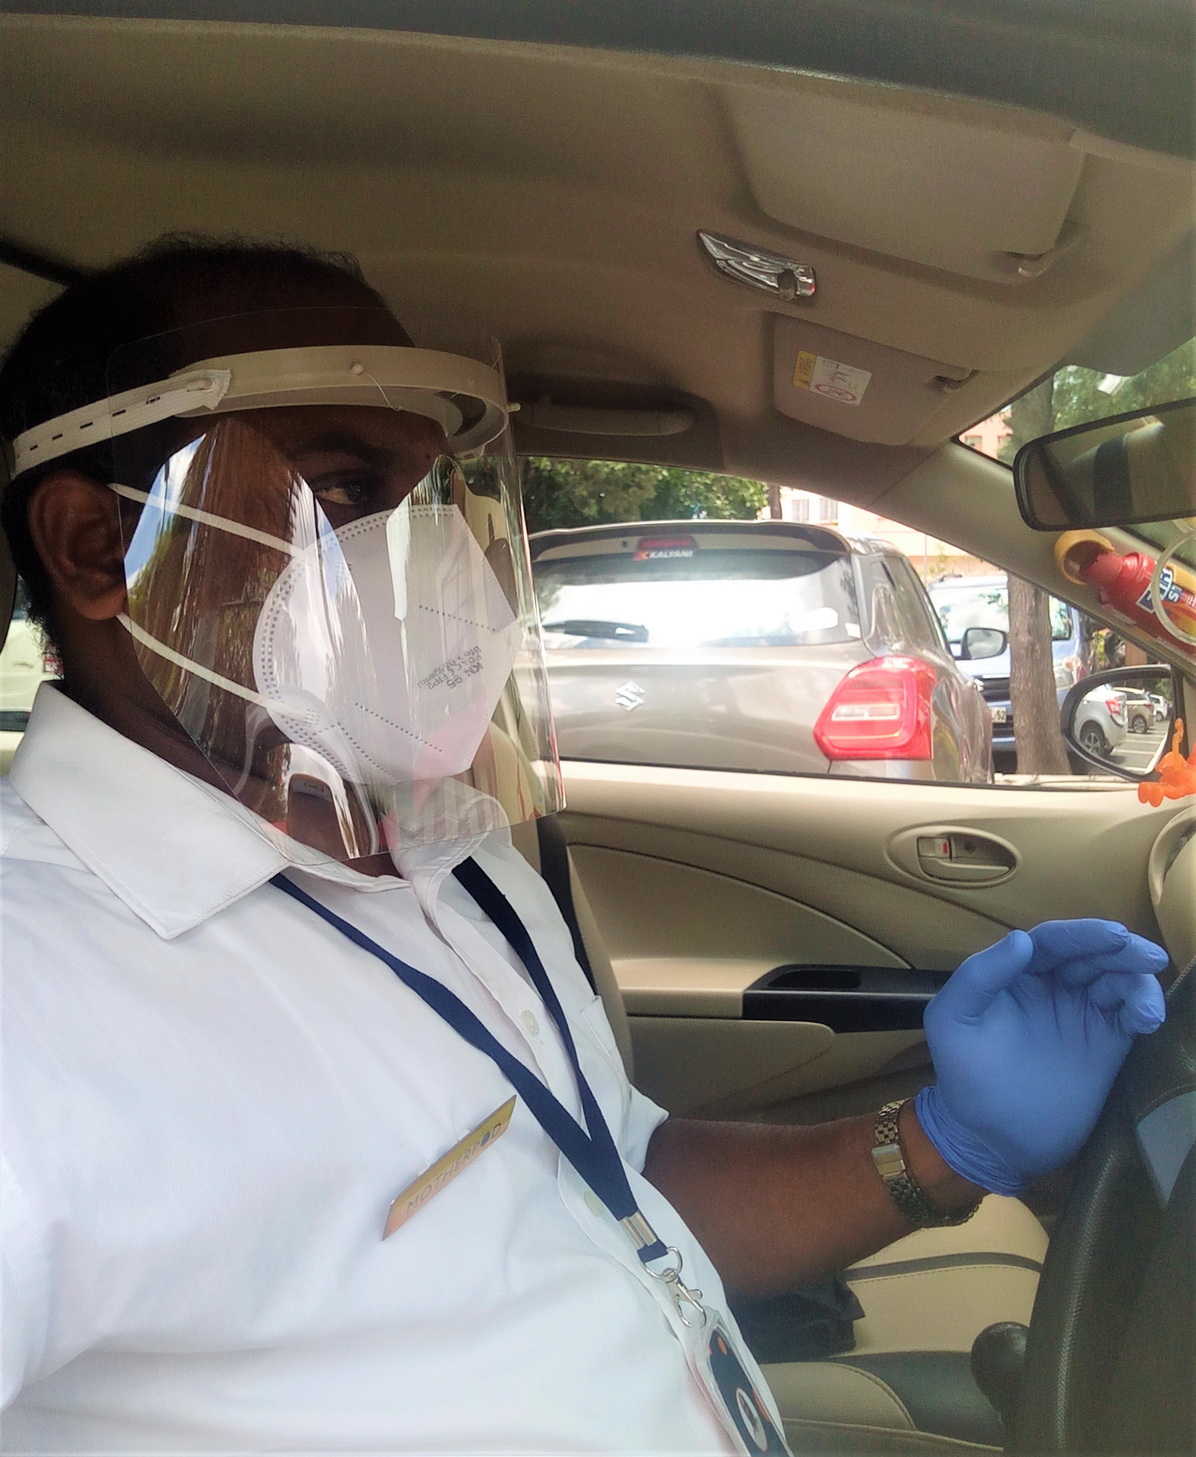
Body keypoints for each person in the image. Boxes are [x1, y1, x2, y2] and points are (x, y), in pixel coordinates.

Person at [0, 239, 1168, 1455]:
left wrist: (939, 1142)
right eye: (343, 493)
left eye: (426, 500)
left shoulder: (450, 858)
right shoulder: (30, 994)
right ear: (97, 548)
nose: (424, 562)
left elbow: (621, 1180)